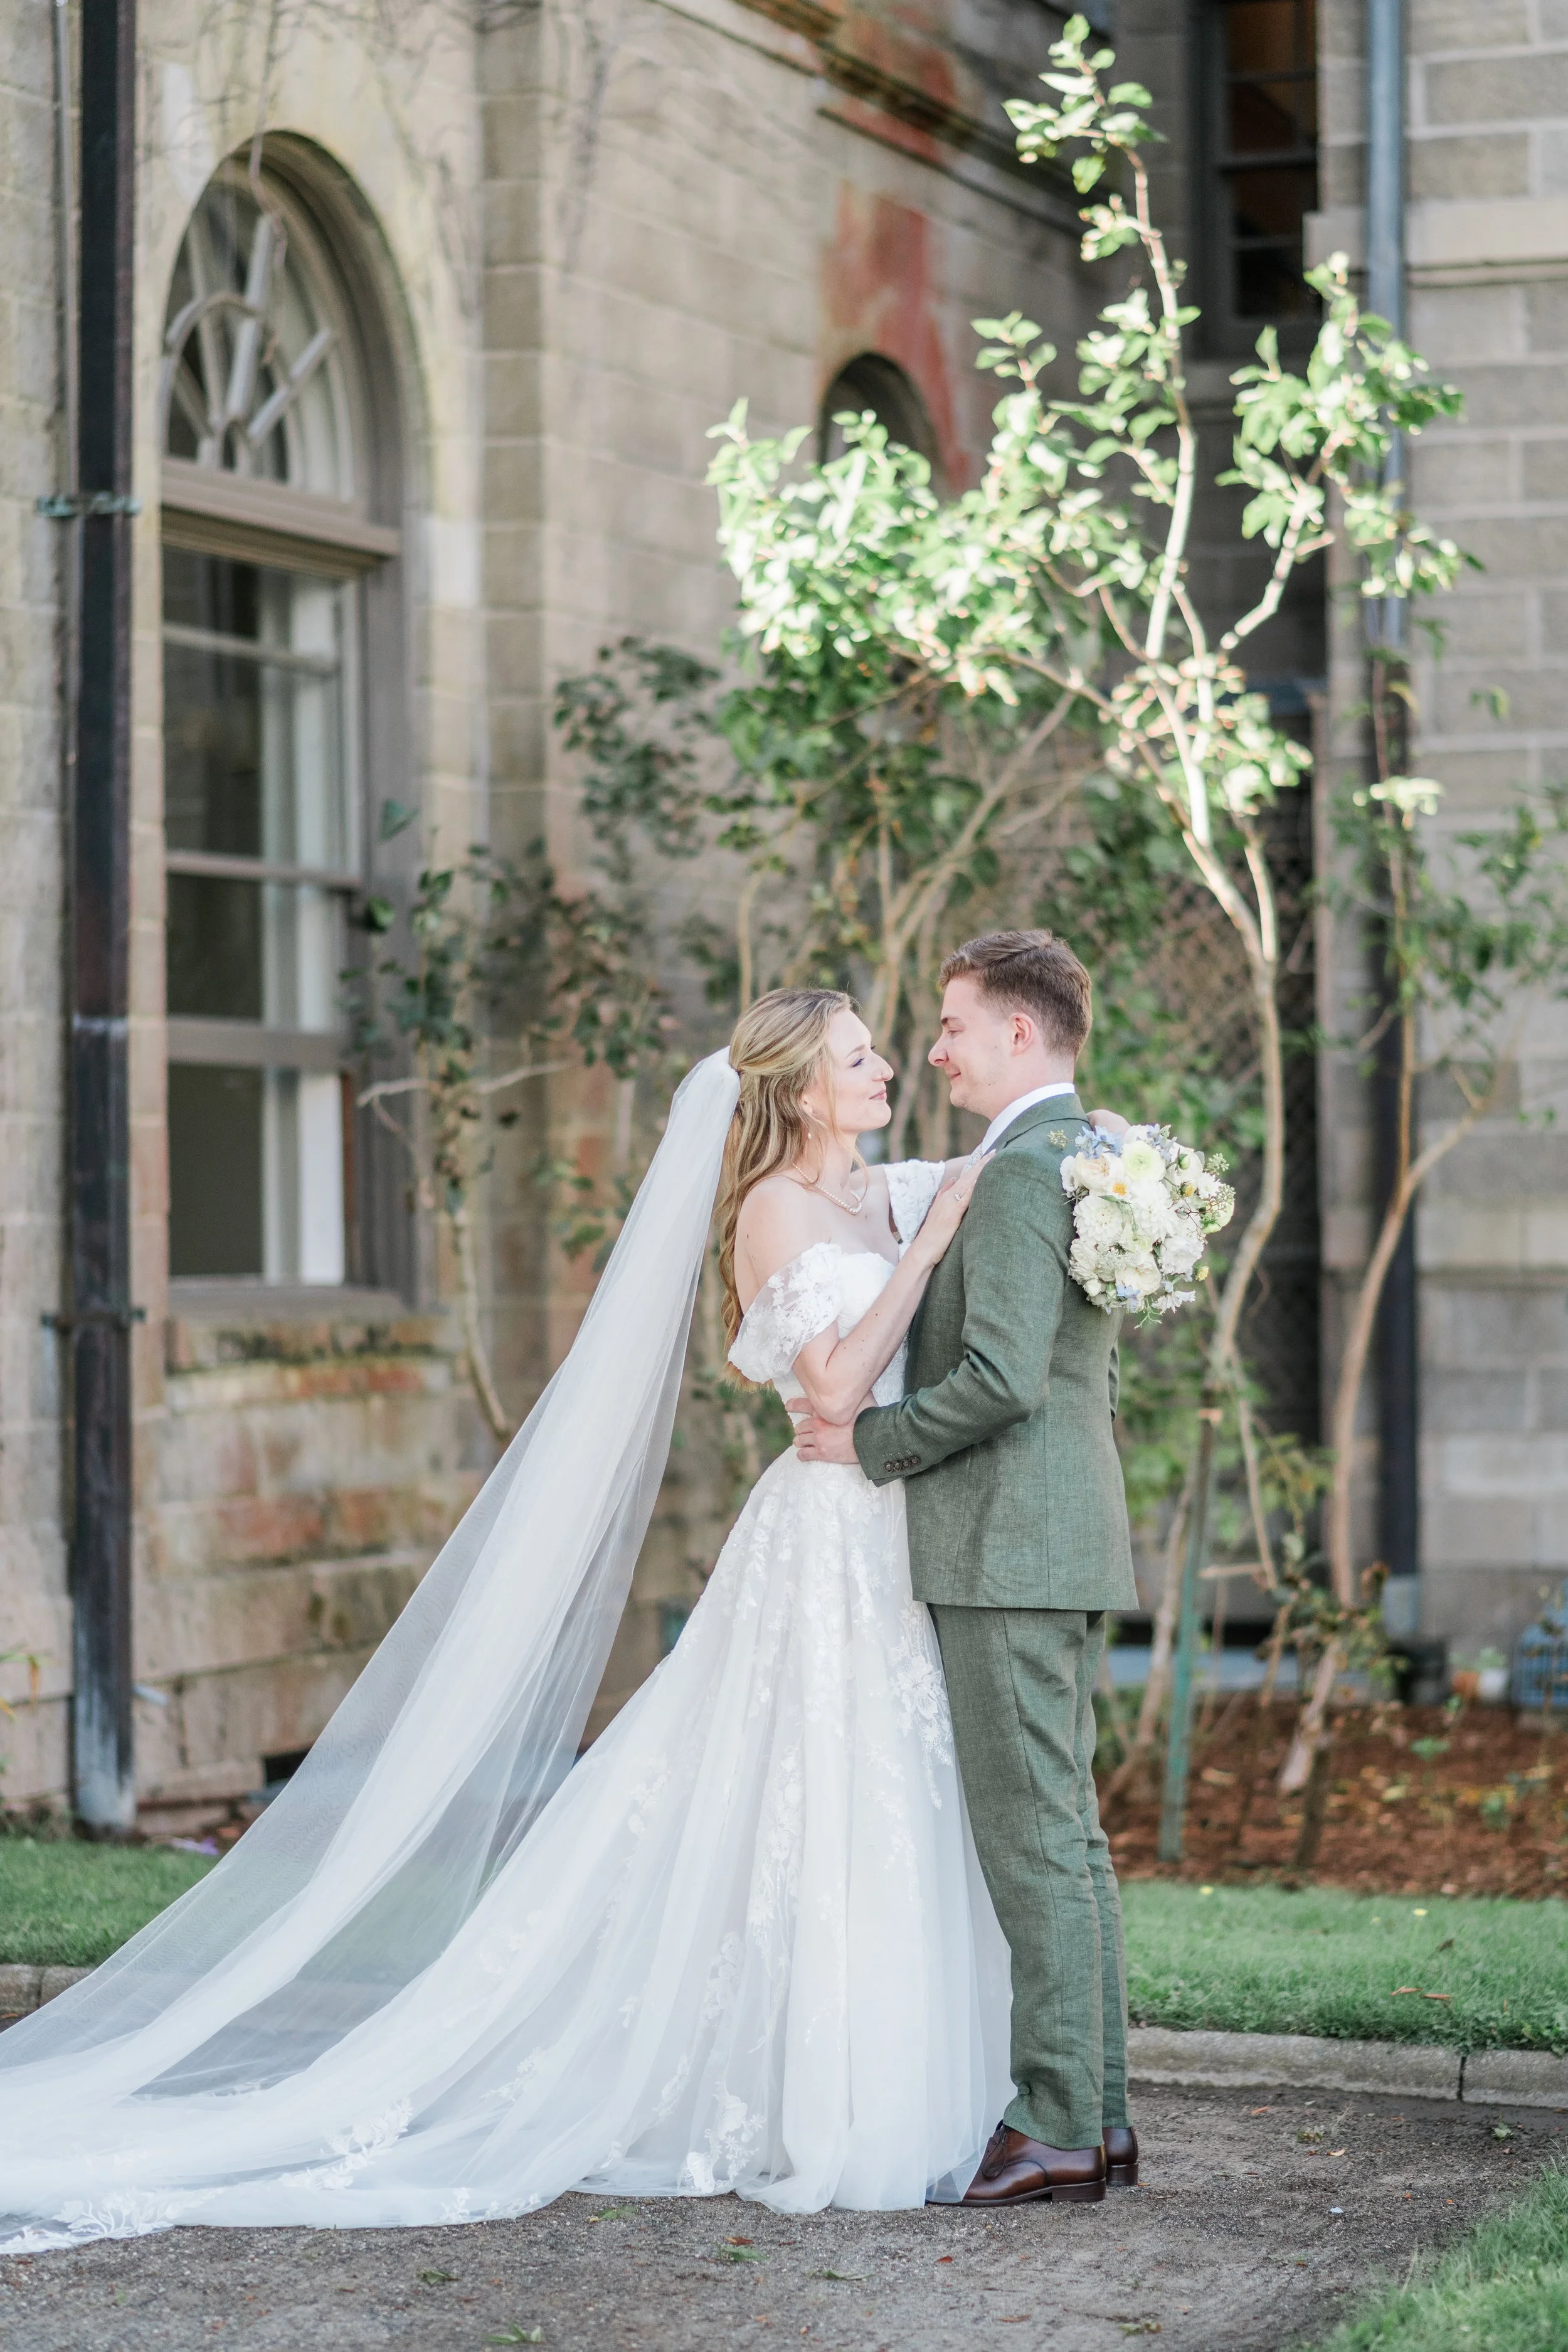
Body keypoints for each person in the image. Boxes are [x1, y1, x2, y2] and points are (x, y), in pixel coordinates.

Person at [0, 987, 1030, 2250]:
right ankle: (804, 2100)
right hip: (822, 1543)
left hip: (900, 1536)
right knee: (803, 1792)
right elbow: (832, 1384)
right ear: (802, 1089)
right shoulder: (771, 1211)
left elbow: (1011, 1165)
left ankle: (895, 2083)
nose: (885, 1071)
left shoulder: (889, 1188)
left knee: (890, 1794)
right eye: (859, 1058)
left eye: (883, 1050)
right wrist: (924, 1257)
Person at [793, 930, 1141, 2206]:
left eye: (949, 1025)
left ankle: (1053, 2121)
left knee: (1033, 1840)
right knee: (1069, 1837)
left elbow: (998, 1377)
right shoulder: (1079, 1149)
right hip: (1053, 1535)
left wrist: (866, 1439)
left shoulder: (1016, 1173)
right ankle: (1095, 2116)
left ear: (1016, 1033)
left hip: (1004, 1544)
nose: (932, 1048)